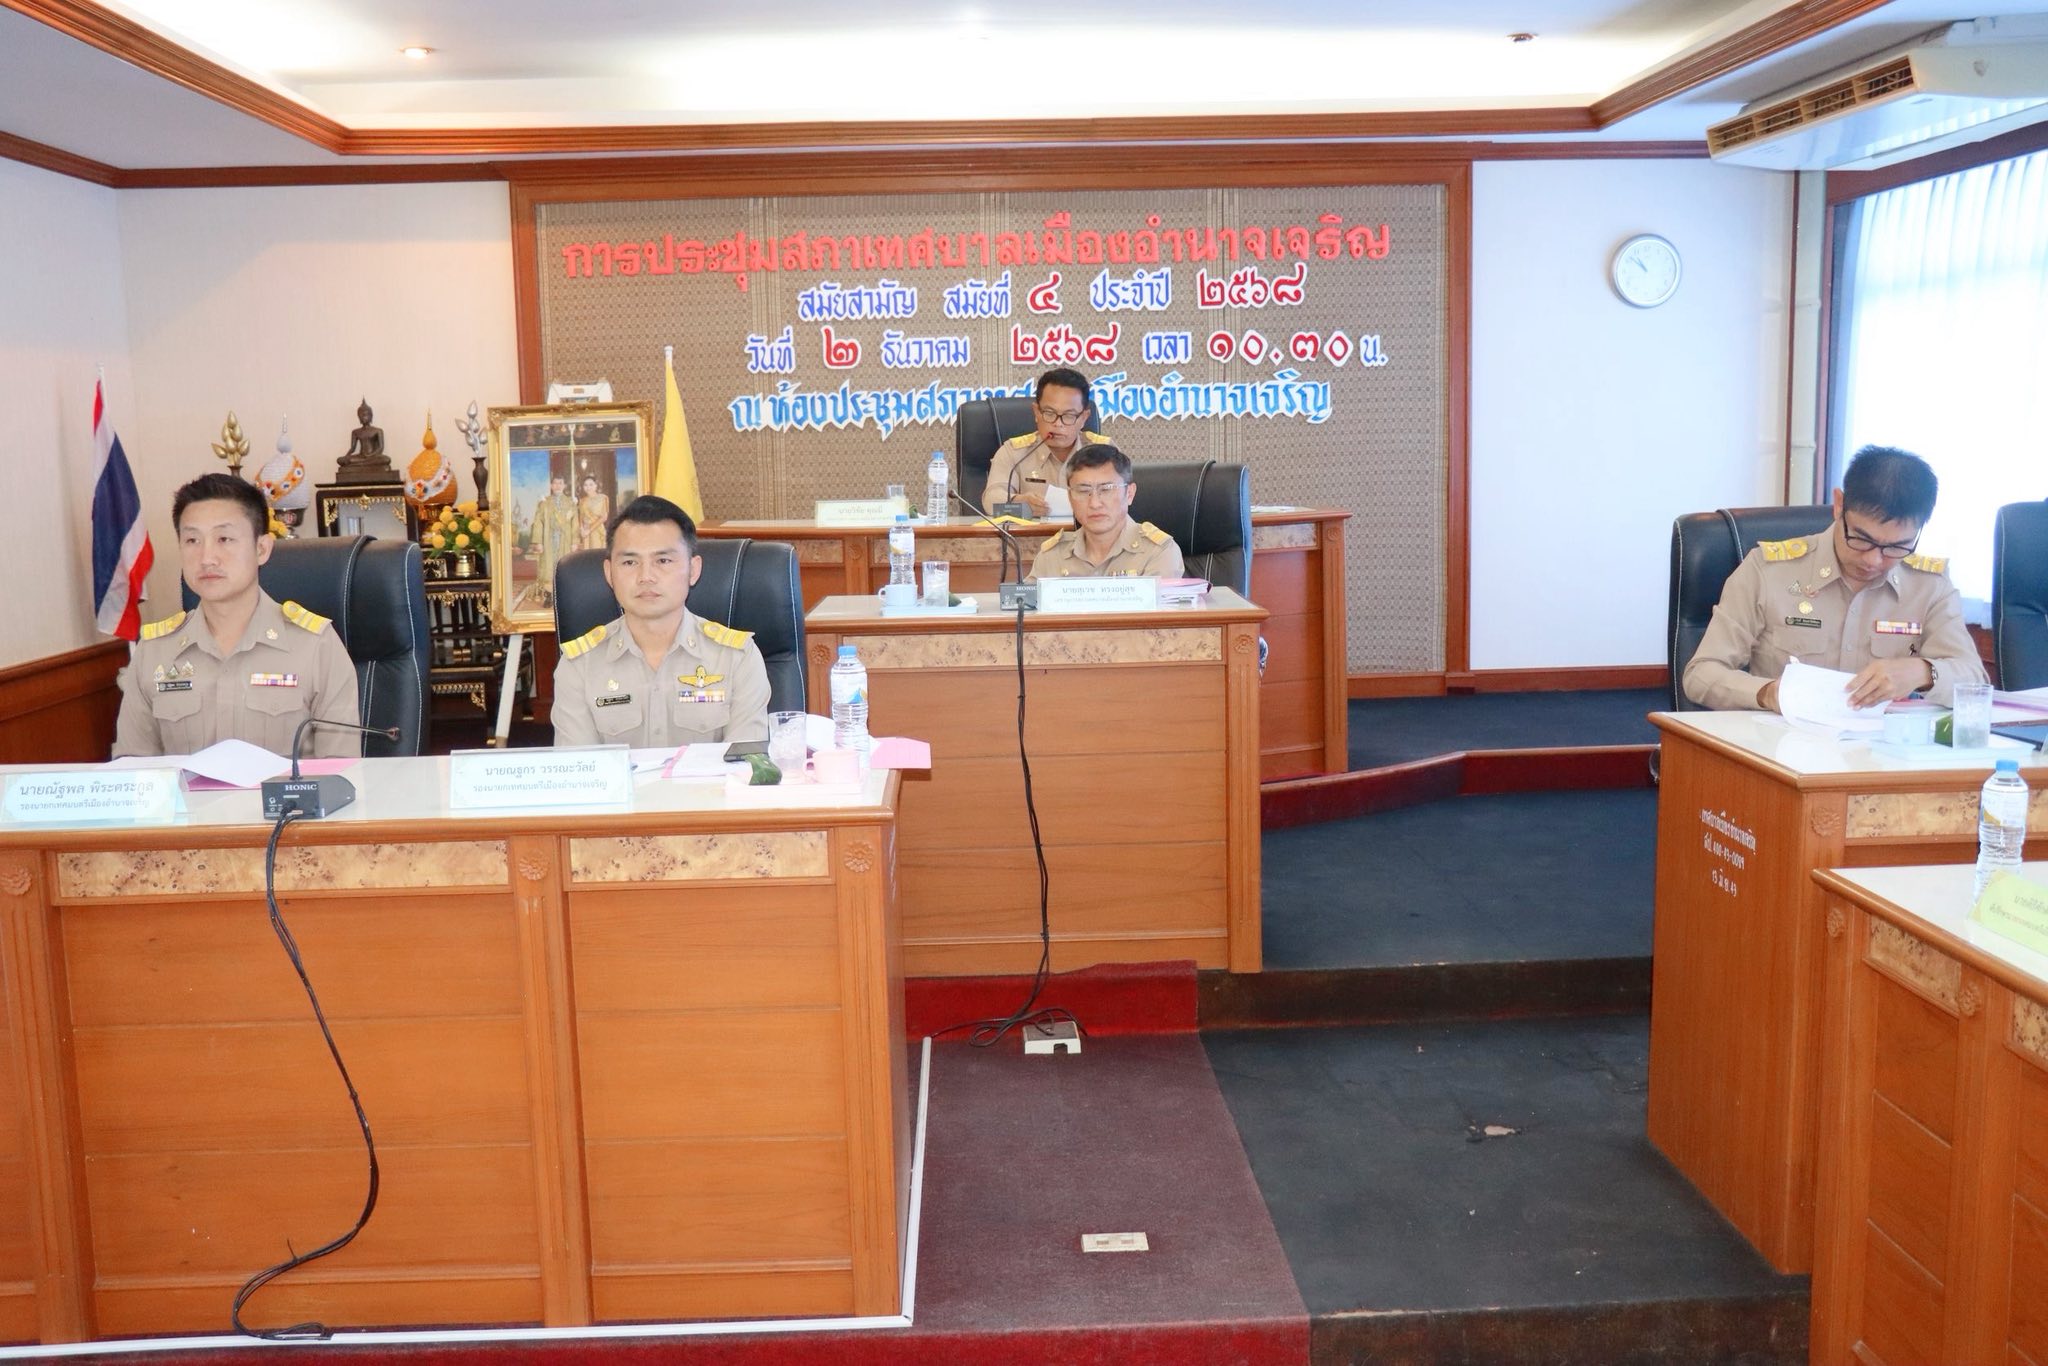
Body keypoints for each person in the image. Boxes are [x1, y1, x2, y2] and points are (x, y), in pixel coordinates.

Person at [1683, 444, 1985, 712]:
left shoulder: (1929, 585)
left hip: (1880, 749)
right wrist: (1767, 693)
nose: (1873, 560)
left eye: (1896, 547)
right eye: (1862, 539)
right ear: (1839, 504)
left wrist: (1923, 672)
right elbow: (1701, 674)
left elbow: (1974, 680)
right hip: (1779, 746)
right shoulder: (1767, 570)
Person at [113, 472, 359, 758]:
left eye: (224, 538)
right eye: (192, 540)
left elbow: (340, 771)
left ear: (261, 549)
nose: (207, 558)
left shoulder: (317, 646)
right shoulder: (154, 651)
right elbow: (134, 771)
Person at [551, 495, 771, 749]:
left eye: (663, 561)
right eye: (630, 562)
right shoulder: (579, 665)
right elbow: (581, 769)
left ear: (693, 570)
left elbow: (744, 766)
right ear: (609, 574)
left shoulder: (737, 657)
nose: (646, 576)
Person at [1026, 444, 1184, 581]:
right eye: (1083, 491)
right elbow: (1027, 606)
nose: (1094, 503)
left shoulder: (1158, 552)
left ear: (1129, 494)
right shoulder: (1051, 556)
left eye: (1106, 489)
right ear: (1070, 497)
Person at [981, 367, 1111, 518]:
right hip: (1034, 533)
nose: (1058, 424)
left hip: (1089, 532)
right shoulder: (1014, 452)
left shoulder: (1105, 451)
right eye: (1049, 413)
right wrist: (1020, 505)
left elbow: (1121, 501)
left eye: (1069, 415)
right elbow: (991, 503)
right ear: (1036, 412)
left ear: (1084, 418)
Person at [526, 471, 576, 605]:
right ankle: (548, 595)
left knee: (564, 565)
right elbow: (538, 522)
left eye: (560, 483)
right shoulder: (544, 503)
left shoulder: (570, 503)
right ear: (551, 485)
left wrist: (575, 541)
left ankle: (563, 596)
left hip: (565, 540)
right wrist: (538, 542)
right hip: (548, 540)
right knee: (548, 566)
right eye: (555, 483)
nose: (558, 486)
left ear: (564, 485)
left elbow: (575, 523)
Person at [575, 472, 611, 551]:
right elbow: (581, 517)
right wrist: (582, 529)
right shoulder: (582, 501)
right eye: (585, 485)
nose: (588, 487)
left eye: (591, 485)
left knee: (597, 554)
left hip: (597, 530)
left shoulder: (603, 498)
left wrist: (589, 530)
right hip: (585, 532)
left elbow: (604, 517)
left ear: (596, 485)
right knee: (586, 554)